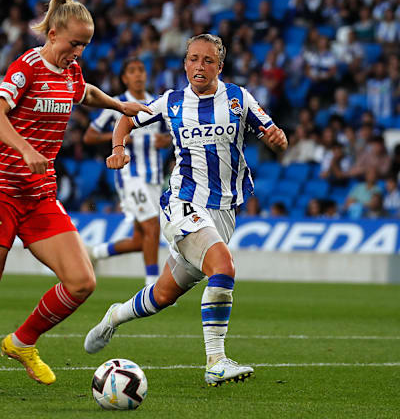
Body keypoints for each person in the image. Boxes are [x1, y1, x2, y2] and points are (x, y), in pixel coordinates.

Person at [0, 0, 151, 403]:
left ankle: (21, 341)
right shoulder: (27, 67)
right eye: (73, 43)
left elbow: (84, 91)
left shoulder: (70, 72)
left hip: (39, 196)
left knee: (81, 282)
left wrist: (117, 104)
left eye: (84, 46)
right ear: (52, 33)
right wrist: (24, 148)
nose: (78, 52)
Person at [84, 34, 288, 386]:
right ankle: (216, 361)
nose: (200, 66)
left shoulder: (240, 99)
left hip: (224, 210)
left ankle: (114, 317)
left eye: (208, 60)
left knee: (163, 294)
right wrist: (118, 147)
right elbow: (127, 120)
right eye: (193, 58)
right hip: (183, 201)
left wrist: (277, 138)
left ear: (219, 67)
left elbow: (270, 130)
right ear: (185, 63)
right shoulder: (171, 102)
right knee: (223, 267)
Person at [83, 57, 172, 285]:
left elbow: (169, 135)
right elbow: (89, 136)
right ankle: (152, 286)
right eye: (132, 71)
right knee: (152, 226)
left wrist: (166, 141)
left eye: (141, 70)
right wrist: (120, 139)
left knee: (139, 239)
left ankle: (93, 253)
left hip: (153, 176)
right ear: (124, 78)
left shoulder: (155, 103)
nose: (138, 74)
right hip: (129, 176)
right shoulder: (116, 104)